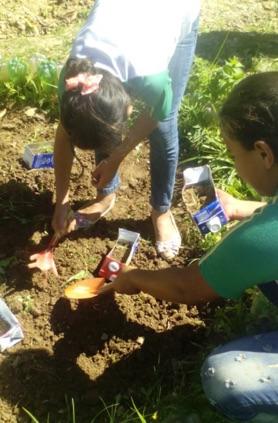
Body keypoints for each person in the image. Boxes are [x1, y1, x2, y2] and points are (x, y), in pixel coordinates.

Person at [105, 72, 278, 422]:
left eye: (233, 154)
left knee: (226, 376)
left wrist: (135, 278)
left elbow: (190, 286)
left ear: (263, 152)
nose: (234, 164)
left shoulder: (263, 239)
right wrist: (244, 208)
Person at [52, 0, 200, 260]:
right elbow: (64, 137)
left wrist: (117, 156)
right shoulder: (72, 81)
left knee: (164, 127)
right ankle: (105, 197)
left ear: (129, 107)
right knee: (96, 119)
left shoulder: (152, 78)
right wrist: (61, 201)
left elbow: (156, 114)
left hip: (176, 10)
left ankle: (161, 211)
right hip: (121, 16)